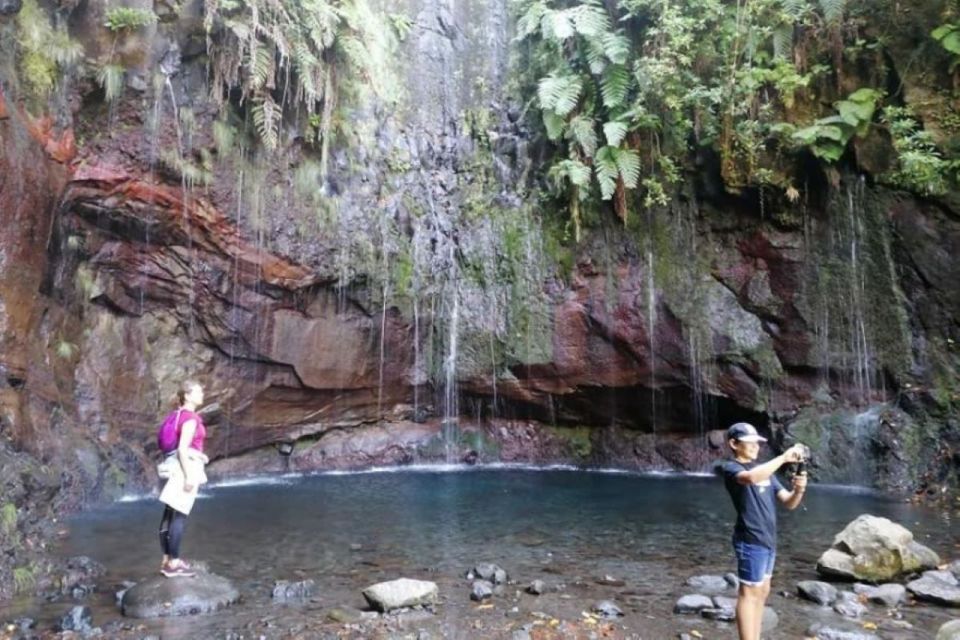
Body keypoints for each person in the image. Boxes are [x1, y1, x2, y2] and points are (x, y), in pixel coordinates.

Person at [719, 422, 808, 640]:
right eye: (750, 443)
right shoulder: (731, 468)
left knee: (761, 592)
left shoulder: (765, 472)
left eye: (757, 443)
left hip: (768, 540)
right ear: (734, 443)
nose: (755, 447)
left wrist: (799, 489)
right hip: (750, 538)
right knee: (749, 593)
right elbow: (751, 478)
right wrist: (784, 458)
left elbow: (788, 502)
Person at [157, 380, 209, 578]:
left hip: (173, 467)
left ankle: (166, 559)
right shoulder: (191, 418)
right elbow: (183, 449)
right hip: (185, 468)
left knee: (169, 515)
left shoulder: (176, 415)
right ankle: (174, 563)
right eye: (198, 390)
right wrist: (188, 476)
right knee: (179, 516)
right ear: (187, 395)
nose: (202, 393)